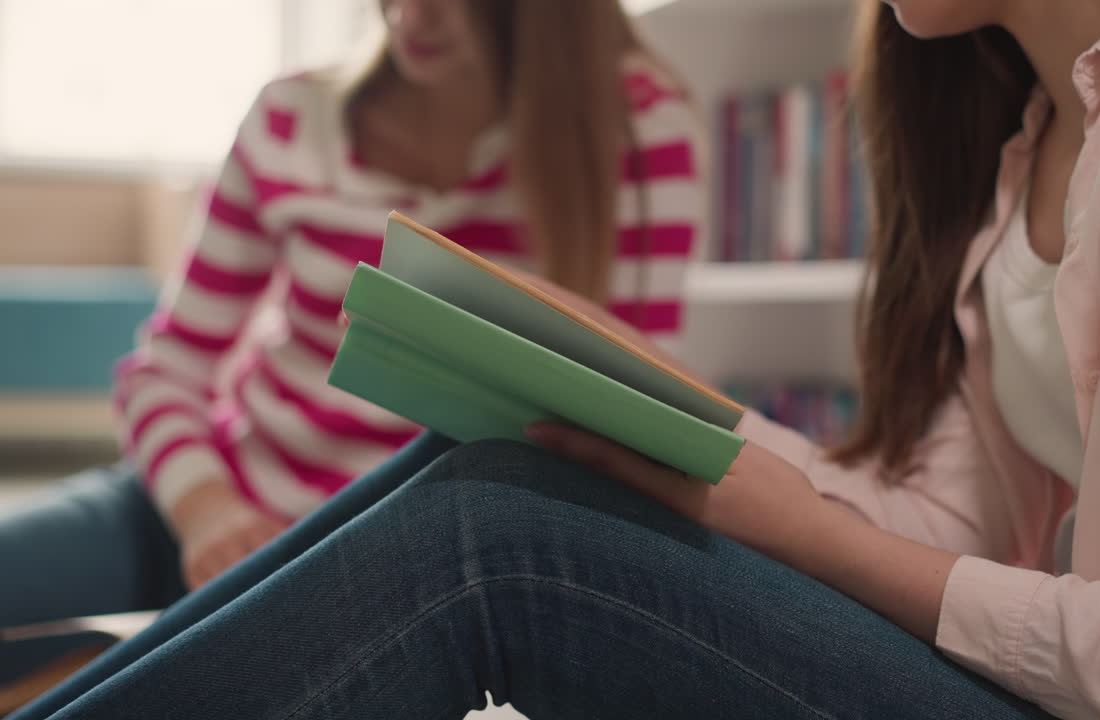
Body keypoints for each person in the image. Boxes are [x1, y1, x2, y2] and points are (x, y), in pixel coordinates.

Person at [12, 0, 1100, 717]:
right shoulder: (1019, 142)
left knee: (494, 533)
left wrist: (805, 526)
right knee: (483, 477)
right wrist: (666, 397)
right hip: (206, 483)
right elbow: (946, 527)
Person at [0, 0, 703, 679]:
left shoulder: (639, 136)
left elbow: (628, 438)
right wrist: (207, 510)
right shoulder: (289, 118)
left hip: (386, 585)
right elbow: (166, 368)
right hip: (204, 507)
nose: (411, 14)